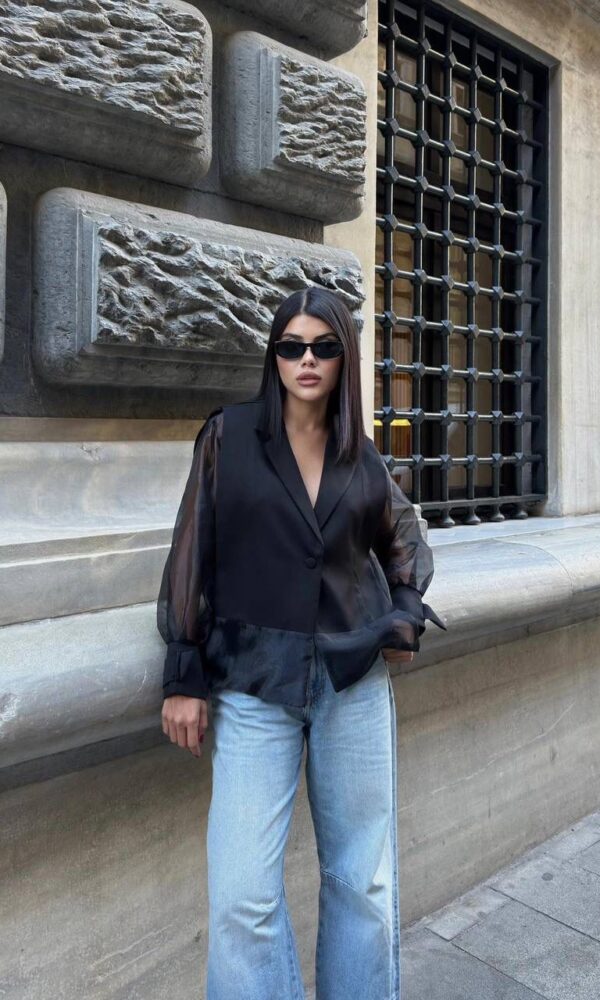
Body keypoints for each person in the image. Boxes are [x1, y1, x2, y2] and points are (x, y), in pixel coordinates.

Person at [157, 286, 446, 1000]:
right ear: (275, 356)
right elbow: (192, 553)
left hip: (353, 683)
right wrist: (183, 673)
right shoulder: (228, 436)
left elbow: (405, 541)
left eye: (323, 346)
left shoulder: (362, 457)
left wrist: (405, 616)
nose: (306, 360)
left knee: (362, 883)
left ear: (344, 357)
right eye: (291, 346)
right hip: (255, 684)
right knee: (242, 895)